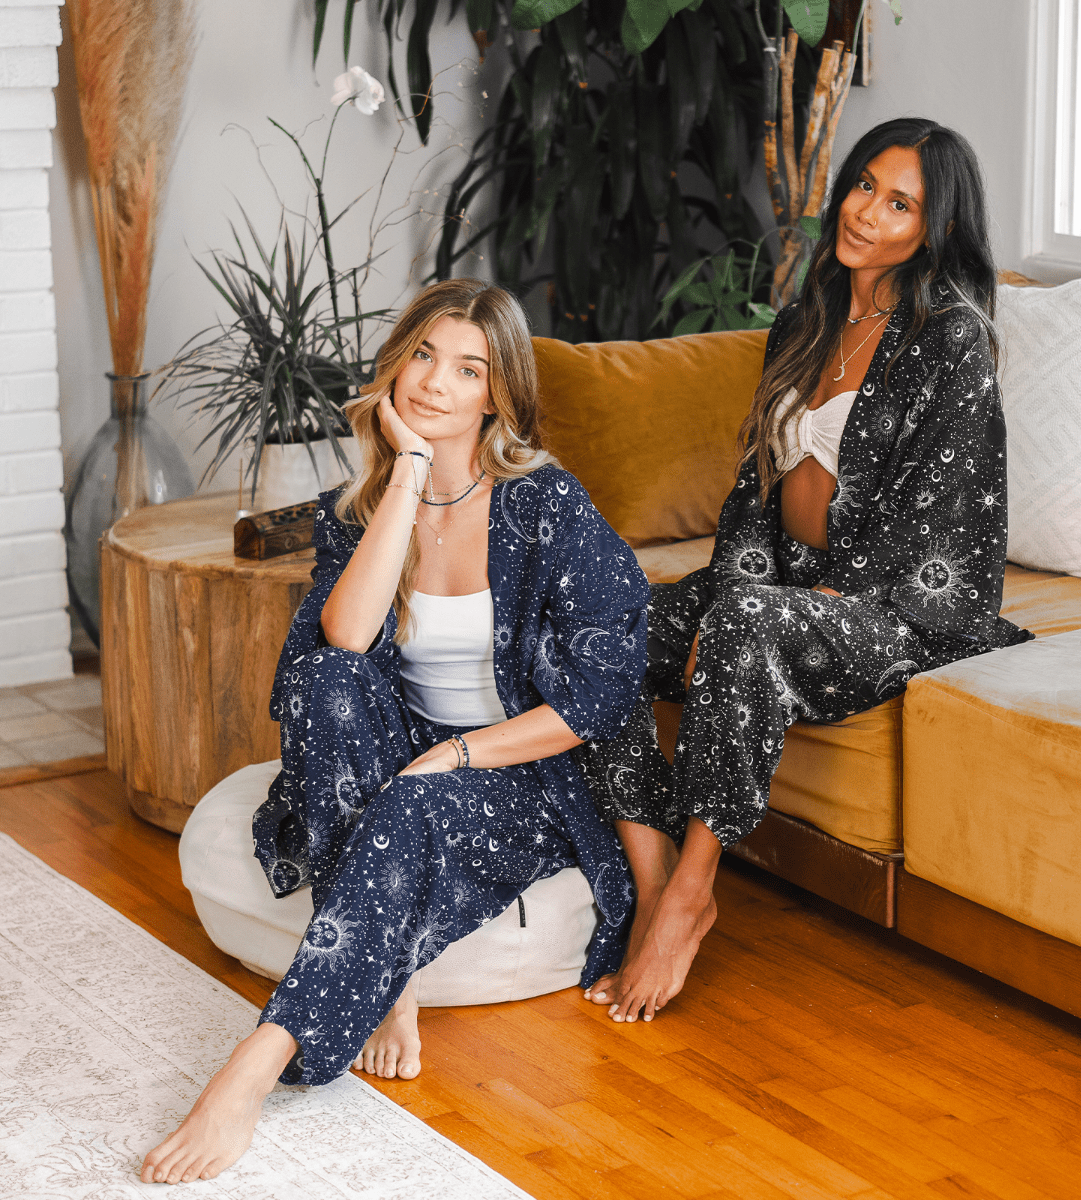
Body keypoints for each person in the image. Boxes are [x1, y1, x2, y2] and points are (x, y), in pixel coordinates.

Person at [141, 279, 648, 1185]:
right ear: (396, 361)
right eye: (423, 355)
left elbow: (600, 701)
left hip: (519, 769)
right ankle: (395, 978)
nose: (435, 383)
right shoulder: (365, 502)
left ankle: (254, 1066)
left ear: (497, 394)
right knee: (330, 680)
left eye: (467, 369)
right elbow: (345, 638)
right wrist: (407, 473)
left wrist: (452, 755)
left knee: (411, 802)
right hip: (400, 745)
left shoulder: (547, 505)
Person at [576, 117, 1031, 1025]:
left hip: (901, 612)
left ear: (934, 230)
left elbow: (950, 522)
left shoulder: (951, 342)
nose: (866, 212)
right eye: (864, 185)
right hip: (785, 586)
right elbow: (755, 487)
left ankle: (692, 897)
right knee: (593, 627)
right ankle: (651, 862)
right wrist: (744, 590)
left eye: (900, 203)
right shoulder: (807, 316)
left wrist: (788, 604)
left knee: (747, 624)